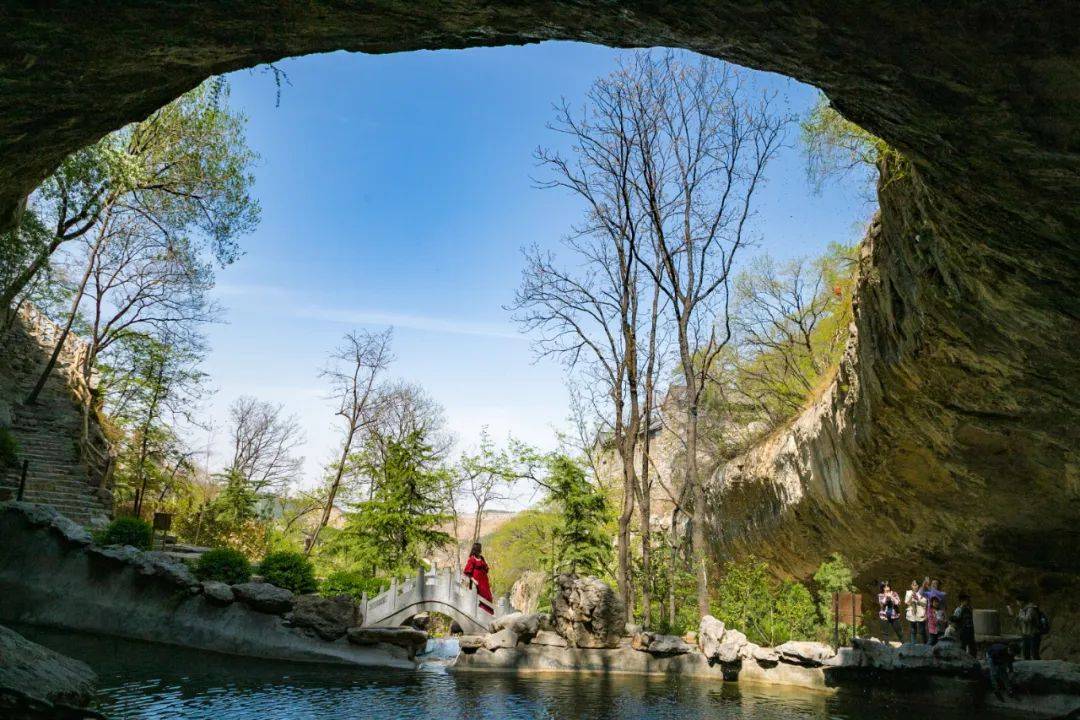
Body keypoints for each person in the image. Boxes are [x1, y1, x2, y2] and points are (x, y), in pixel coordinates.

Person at [462, 542, 494, 614]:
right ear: (476, 549)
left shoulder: (481, 558)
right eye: (479, 548)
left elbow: (486, 569)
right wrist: (474, 580)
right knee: (481, 596)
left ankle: (488, 613)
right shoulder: (472, 559)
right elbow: (467, 572)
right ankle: (481, 612)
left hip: (484, 580)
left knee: (488, 596)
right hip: (477, 581)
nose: (480, 550)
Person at [905, 579, 928, 644]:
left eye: (916, 585)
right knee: (913, 630)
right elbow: (907, 603)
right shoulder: (908, 592)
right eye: (913, 585)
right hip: (911, 614)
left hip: (921, 613)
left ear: (918, 586)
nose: (914, 586)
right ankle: (913, 645)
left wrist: (918, 600)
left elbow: (925, 604)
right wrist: (911, 596)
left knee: (922, 631)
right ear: (911, 586)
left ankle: (925, 644)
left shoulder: (922, 593)